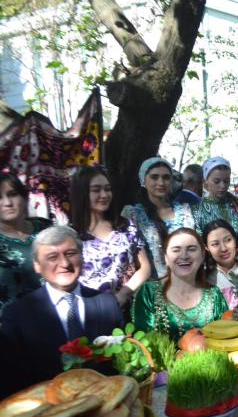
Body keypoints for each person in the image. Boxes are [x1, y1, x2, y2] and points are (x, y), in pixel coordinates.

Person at [0, 226, 123, 396]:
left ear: (82, 257)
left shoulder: (107, 304)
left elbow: (122, 363)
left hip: (105, 402)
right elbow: (9, 379)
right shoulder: (17, 315)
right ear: (37, 266)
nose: (64, 264)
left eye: (70, 253)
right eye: (52, 257)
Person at [69, 166, 151, 307]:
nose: (104, 195)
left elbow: (145, 268)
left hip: (124, 309)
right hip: (86, 309)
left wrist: (123, 295)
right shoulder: (71, 234)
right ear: (82, 193)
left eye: (107, 189)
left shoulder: (126, 226)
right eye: (96, 190)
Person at [131, 227, 228, 341]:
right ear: (166, 257)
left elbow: (225, 338)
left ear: (202, 255)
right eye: (176, 250)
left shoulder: (214, 295)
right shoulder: (148, 293)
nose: (184, 256)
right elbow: (143, 342)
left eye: (191, 249)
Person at [122, 157, 195, 278]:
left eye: (166, 177)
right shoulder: (133, 214)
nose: (161, 183)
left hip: (185, 281)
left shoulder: (184, 212)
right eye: (154, 177)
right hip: (150, 285)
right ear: (143, 179)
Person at [0, 173, 52, 315]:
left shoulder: (46, 229)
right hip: (9, 324)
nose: (7, 203)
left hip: (54, 318)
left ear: (24, 197)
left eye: (13, 194)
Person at [192, 156, 238, 265]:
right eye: (216, 181)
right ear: (205, 181)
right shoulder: (197, 211)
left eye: (226, 181)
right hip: (211, 269)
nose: (222, 186)